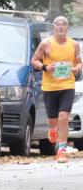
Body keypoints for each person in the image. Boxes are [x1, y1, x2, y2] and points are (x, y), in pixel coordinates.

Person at [31, 15, 82, 163]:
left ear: (67, 28)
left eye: (64, 24)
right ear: (54, 27)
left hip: (67, 85)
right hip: (50, 87)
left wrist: (76, 68)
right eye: (58, 24)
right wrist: (45, 67)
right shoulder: (46, 43)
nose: (61, 26)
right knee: (53, 121)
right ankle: (53, 130)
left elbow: (79, 62)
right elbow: (34, 60)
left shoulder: (74, 44)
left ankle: (61, 151)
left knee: (64, 117)